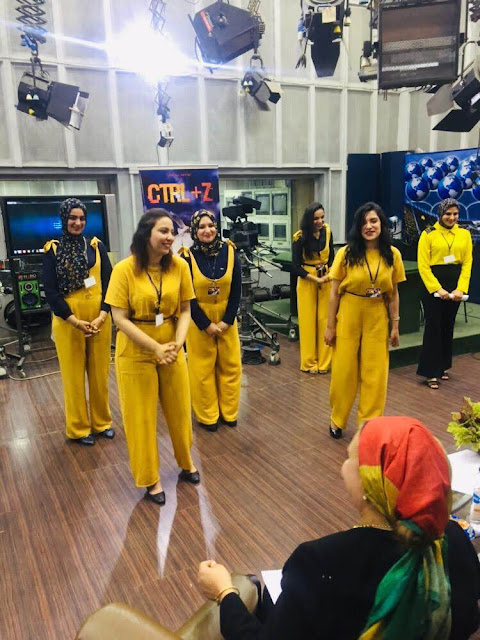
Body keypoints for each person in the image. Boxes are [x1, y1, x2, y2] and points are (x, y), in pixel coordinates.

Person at [197, 416, 480, 640]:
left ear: (370, 485)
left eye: (350, 458)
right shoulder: (452, 539)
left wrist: (225, 592)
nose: (343, 466)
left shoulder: (320, 562)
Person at [105, 209, 199, 506]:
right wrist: (155, 348)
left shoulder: (180, 266)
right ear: (146, 234)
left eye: (172, 232)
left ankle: (186, 463)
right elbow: (119, 318)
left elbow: (186, 309)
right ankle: (150, 479)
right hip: (135, 351)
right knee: (141, 418)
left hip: (172, 347)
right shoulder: (124, 270)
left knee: (180, 411)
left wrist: (177, 344)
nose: (170, 237)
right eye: (163, 231)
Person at [324, 202, 406, 438]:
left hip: (377, 314)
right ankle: (337, 419)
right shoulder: (346, 253)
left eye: (374, 221)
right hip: (349, 312)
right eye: (364, 222)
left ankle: (369, 426)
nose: (369, 226)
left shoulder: (393, 255)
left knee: (375, 373)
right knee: (344, 372)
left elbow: (394, 294)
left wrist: (395, 324)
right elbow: (333, 294)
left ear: (382, 224)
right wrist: (330, 326)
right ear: (357, 226)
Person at [43, 197, 114, 446]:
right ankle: (78, 428)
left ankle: (102, 423)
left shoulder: (96, 246)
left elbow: (110, 283)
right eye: (73, 218)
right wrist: (74, 321)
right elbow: (50, 292)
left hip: (99, 319)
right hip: (68, 321)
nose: (78, 222)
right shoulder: (53, 250)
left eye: (82, 218)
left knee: (100, 374)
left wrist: (103, 315)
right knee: (73, 377)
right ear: (64, 219)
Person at [179, 210, 242, 432]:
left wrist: (227, 320)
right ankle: (208, 416)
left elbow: (236, 290)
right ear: (194, 231)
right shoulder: (186, 258)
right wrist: (205, 324)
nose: (208, 230)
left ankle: (229, 412)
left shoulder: (230, 252)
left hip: (226, 319)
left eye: (211, 225)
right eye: (202, 227)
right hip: (199, 321)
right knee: (201, 371)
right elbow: (187, 296)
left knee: (231, 367)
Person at [417, 198, 473, 389]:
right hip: (433, 286)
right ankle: (430, 372)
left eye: (455, 214)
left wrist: (460, 288)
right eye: (448, 214)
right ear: (440, 214)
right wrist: (437, 288)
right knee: (434, 327)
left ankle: (442, 366)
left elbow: (467, 263)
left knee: (448, 325)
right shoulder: (428, 234)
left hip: (455, 285)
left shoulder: (464, 234)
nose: (452, 217)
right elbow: (423, 266)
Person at [292, 202, 334, 374]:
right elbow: (295, 266)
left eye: (322, 217)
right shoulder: (299, 237)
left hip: (326, 278)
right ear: (309, 219)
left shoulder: (328, 231)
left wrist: (329, 275)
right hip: (307, 280)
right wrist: (315, 278)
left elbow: (332, 257)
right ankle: (309, 363)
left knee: (326, 320)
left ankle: (324, 363)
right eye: (316, 218)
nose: (320, 221)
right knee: (307, 321)